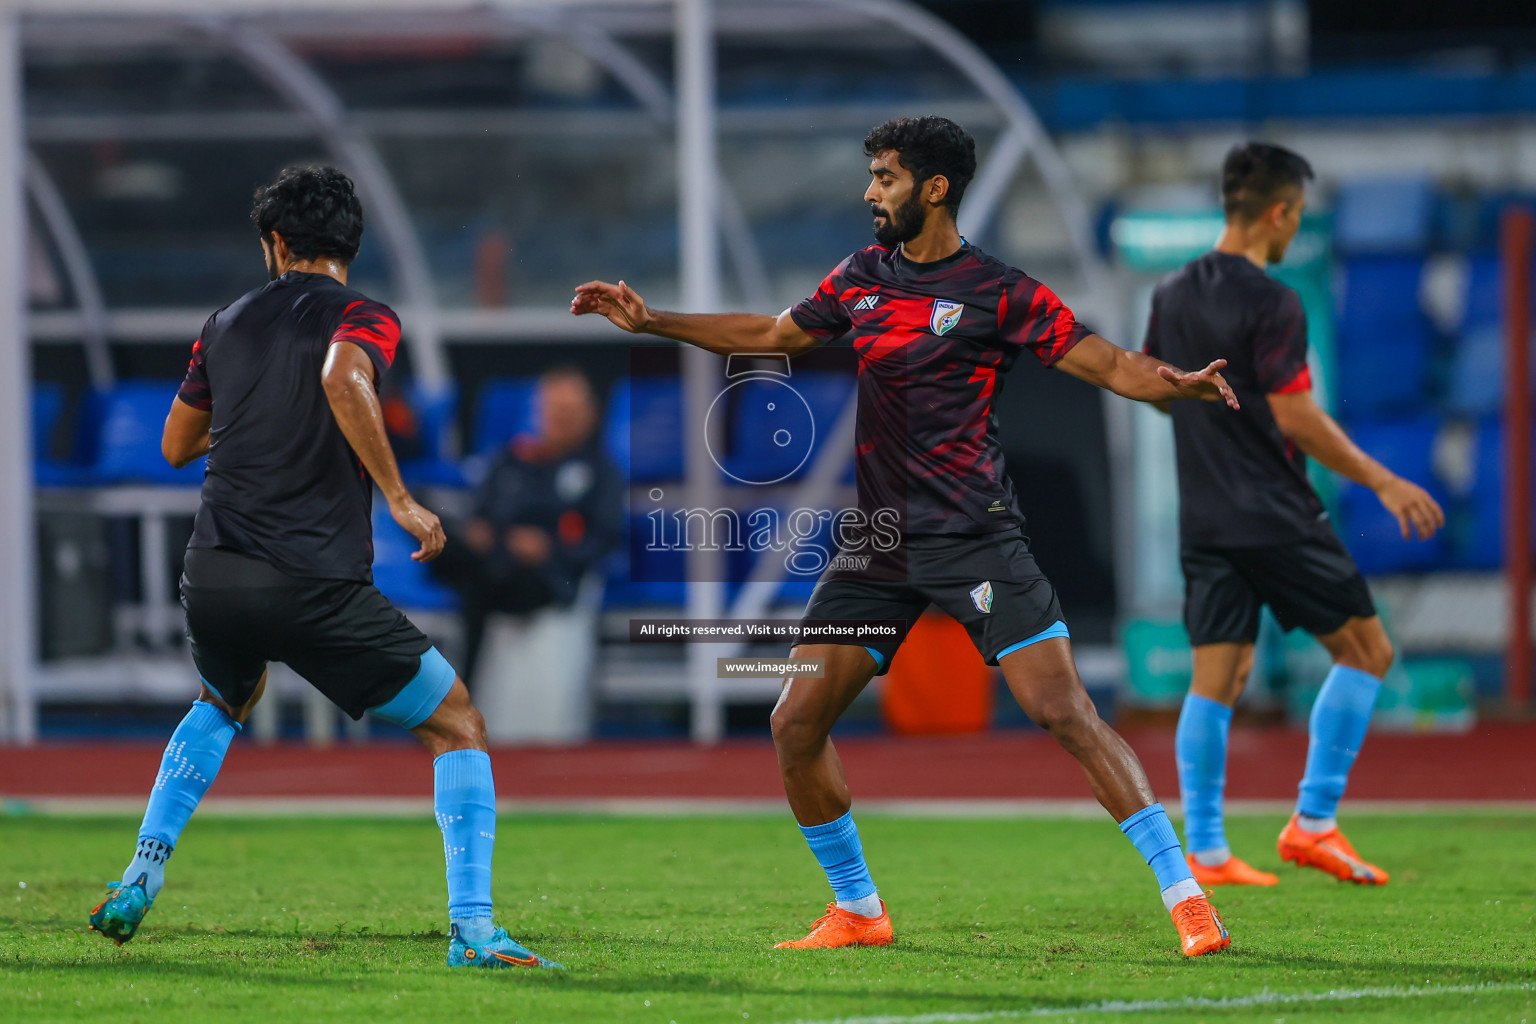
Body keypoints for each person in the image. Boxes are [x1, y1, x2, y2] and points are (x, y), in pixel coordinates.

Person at [574, 116, 1240, 957]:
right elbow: (773, 334)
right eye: (872, 176)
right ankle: (858, 908)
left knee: (1063, 710)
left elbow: (1104, 362)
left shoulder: (1000, 291)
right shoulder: (861, 278)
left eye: (884, 177)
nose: (869, 192)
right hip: (879, 546)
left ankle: (1185, 896)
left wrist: (1172, 383)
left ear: (934, 188)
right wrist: (653, 320)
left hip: (974, 534)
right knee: (795, 722)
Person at [86, 166, 562, 970]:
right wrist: (402, 498)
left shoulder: (225, 322)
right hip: (310, 580)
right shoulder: (365, 316)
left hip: (214, 573)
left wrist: (252, 411)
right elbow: (344, 377)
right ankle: (475, 932)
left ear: (276, 243)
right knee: (456, 722)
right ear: (351, 244)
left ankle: (140, 872)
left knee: (223, 698)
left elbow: (175, 445)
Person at [1143, 142, 1445, 889]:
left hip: (1205, 518)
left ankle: (1207, 850)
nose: (1293, 228)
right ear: (1278, 213)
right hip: (1274, 514)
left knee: (1218, 677)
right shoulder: (1274, 301)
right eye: (1297, 215)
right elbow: (1298, 419)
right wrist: (1384, 481)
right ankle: (1313, 823)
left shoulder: (1171, 295)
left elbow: (1153, 387)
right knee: (1368, 652)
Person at [432, 367, 621, 686]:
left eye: (569, 411)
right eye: (553, 409)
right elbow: (481, 512)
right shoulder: (511, 460)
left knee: (483, 578)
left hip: (547, 578)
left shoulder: (601, 473)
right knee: (445, 543)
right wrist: (483, 533)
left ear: (590, 414)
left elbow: (603, 538)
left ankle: (461, 691)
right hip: (489, 563)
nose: (559, 418)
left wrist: (548, 548)